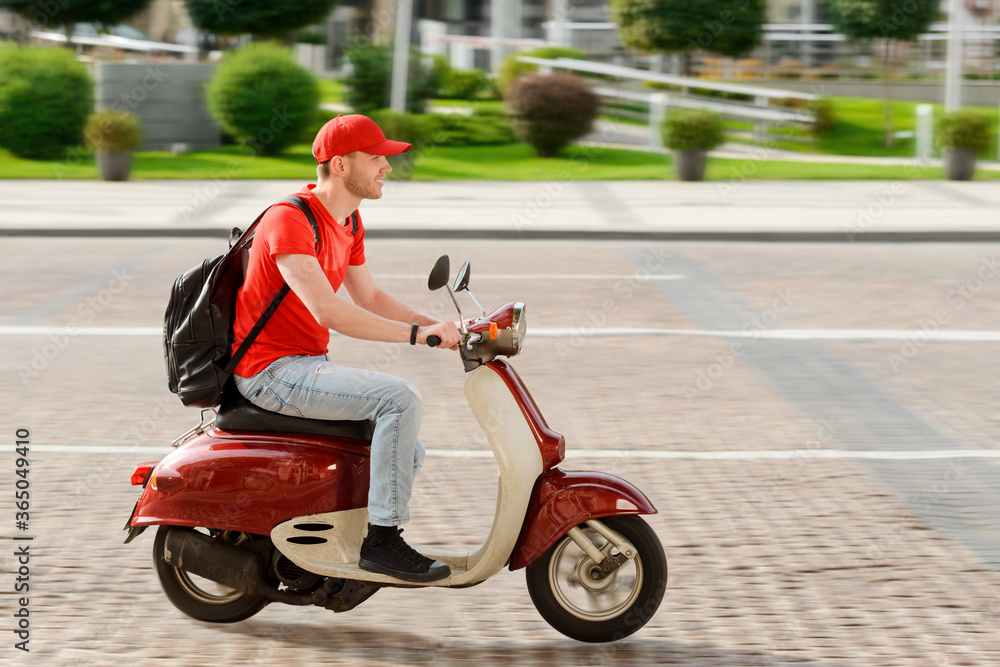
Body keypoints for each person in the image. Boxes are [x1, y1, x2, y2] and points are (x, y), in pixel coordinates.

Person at [230, 114, 462, 583]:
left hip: (306, 364)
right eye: (377, 158)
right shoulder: (288, 220)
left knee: (408, 451)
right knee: (399, 399)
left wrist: (440, 324)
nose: (387, 168)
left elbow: (370, 298)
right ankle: (382, 543)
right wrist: (419, 338)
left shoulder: (348, 221)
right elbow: (328, 312)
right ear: (340, 165)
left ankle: (339, 543)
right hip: (269, 371)